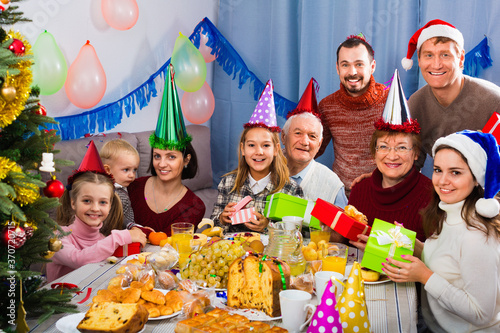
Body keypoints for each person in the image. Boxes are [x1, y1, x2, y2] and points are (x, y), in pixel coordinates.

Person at [383, 130, 500, 332]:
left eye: (455, 172)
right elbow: (447, 260)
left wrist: (425, 276)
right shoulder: (450, 212)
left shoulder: (477, 237)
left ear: (476, 179)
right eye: (438, 170)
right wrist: (401, 241)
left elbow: (481, 314)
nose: (442, 180)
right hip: (434, 325)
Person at [402, 19, 500, 169]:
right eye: (429, 55)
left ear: (461, 58)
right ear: (419, 60)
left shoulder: (493, 100)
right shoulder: (415, 104)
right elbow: (411, 166)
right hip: (444, 188)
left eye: (445, 55)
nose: (436, 64)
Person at [348, 70, 432, 242]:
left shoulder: (431, 196)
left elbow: (438, 260)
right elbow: (346, 243)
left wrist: (381, 249)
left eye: (401, 147)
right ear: (375, 152)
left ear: (416, 153)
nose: (392, 156)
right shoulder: (359, 190)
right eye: (384, 147)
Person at [211, 79, 303, 233]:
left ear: (276, 149)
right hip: (234, 253)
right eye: (251, 145)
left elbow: (296, 233)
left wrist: (267, 226)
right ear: (243, 149)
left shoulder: (290, 189)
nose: (258, 152)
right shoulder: (228, 183)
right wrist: (221, 218)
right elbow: (212, 226)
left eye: (266, 145)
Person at [47, 141, 147, 282]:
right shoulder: (57, 237)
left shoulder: (101, 239)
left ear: (110, 205)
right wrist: (121, 236)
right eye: (87, 201)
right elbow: (79, 259)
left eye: (102, 202)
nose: (95, 208)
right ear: (73, 203)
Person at [128, 64, 205, 234]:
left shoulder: (194, 206)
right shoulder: (132, 187)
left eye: (171, 157)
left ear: (186, 159)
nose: (162, 164)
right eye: (157, 156)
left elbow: (173, 250)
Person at [316, 33, 389, 196]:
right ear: (337, 68)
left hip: (382, 192)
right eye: (345, 65)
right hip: (339, 195)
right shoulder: (327, 106)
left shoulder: (390, 100)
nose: (352, 72)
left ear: (372, 66)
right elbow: (314, 148)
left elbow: (405, 152)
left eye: (359, 64)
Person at [100, 139, 141, 230]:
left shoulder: (121, 187)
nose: (131, 175)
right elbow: (116, 218)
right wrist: (133, 226)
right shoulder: (113, 194)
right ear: (108, 170)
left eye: (134, 170)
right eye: (126, 170)